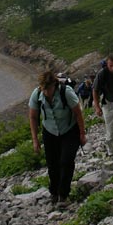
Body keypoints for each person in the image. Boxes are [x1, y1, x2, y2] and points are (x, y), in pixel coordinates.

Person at [29, 71, 86, 207]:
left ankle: (63, 195)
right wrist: (35, 140)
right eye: (44, 89)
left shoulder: (66, 92)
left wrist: (82, 134)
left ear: (54, 85)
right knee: (52, 164)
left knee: (66, 161)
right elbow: (33, 117)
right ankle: (54, 192)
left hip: (69, 130)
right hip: (49, 131)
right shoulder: (36, 94)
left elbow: (78, 112)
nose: (46, 92)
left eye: (48, 89)